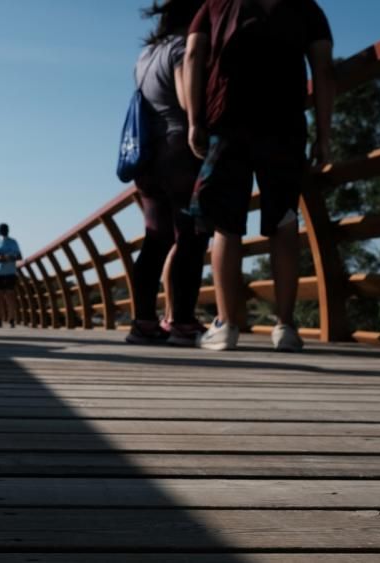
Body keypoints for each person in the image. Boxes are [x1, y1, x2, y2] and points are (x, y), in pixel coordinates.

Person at [184, 0, 334, 351]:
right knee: (284, 220)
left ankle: (226, 325)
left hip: (227, 120)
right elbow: (324, 69)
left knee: (226, 224)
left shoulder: (214, 5)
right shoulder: (307, 8)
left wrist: (194, 120)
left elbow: (192, 57)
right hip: (284, 126)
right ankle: (285, 326)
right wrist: (325, 134)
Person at [125, 0, 211, 347]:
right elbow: (184, 94)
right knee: (191, 237)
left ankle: (143, 322)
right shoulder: (180, 48)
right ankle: (183, 323)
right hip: (179, 154)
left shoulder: (145, 56)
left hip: (147, 159)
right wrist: (199, 120)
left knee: (156, 240)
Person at [0, 223, 22, 328]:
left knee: (10, 295)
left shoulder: (13, 242)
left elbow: (19, 256)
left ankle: (11, 319)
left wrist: (10, 257)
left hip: (10, 271)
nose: (4, 231)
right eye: (2, 229)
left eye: (5, 229)